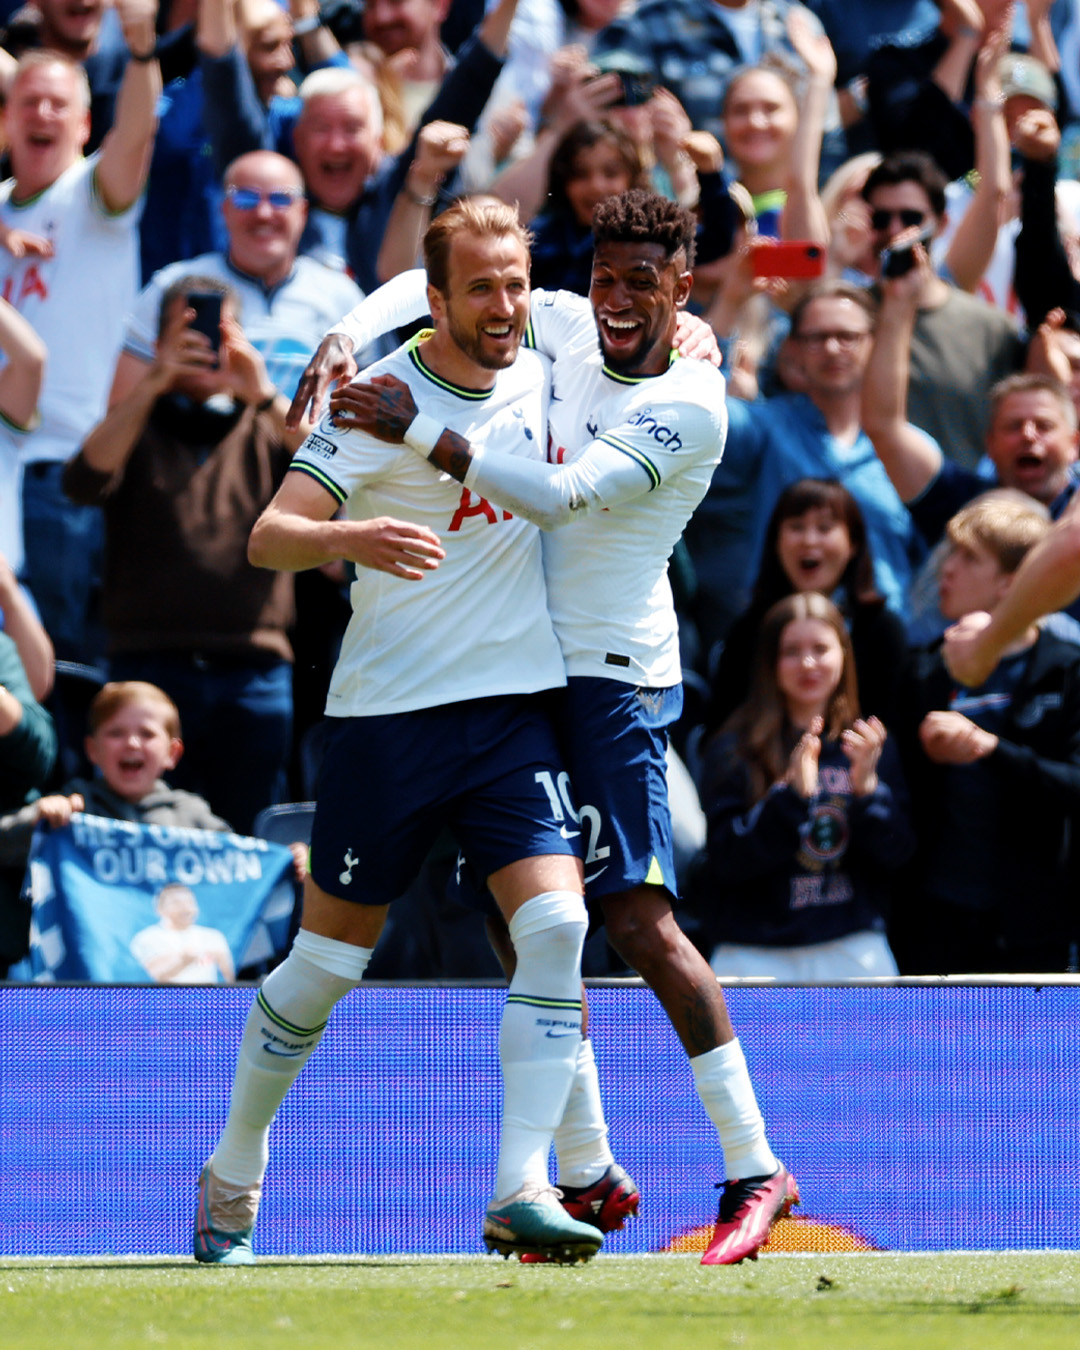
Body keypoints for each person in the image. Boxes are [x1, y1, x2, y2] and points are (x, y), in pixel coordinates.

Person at [313, 188, 797, 1267]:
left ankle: (755, 1167)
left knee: (634, 918)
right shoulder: (571, 320)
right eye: (607, 276)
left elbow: (566, 496)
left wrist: (421, 429)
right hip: (530, 667)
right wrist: (350, 332)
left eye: (646, 282)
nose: (619, 300)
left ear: (687, 287)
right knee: (527, 915)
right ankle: (583, 1163)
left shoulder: (692, 400)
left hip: (612, 680)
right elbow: (433, 290)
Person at [197, 197, 602, 1268]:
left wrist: (695, 337)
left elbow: (643, 322)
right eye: (481, 287)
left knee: (557, 927)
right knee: (326, 964)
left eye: (515, 282)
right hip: (386, 720)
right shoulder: (378, 401)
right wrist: (352, 533)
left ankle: (519, 1189)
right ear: (437, 300)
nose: (506, 304)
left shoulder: (549, 357)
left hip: (511, 711)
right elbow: (269, 538)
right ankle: (235, 1170)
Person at [62, 277, 303, 835]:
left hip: (252, 672)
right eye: (185, 329)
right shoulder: (135, 423)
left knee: (247, 838)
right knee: (140, 834)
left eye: (218, 330)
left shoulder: (262, 420)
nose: (202, 343)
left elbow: (335, 473)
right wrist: (152, 381)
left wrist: (261, 391)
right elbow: (80, 482)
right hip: (148, 668)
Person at [0, 23, 162, 663]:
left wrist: (143, 47)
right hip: (0, 464)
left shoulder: (94, 195)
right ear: (6, 120)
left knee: (60, 664)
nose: (42, 113)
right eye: (27, 102)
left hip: (58, 473)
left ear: (85, 125)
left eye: (58, 103)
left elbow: (138, 131)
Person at [686, 278, 920, 653]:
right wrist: (731, 299)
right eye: (816, 337)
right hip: (784, 652)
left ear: (875, 343)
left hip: (884, 653)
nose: (831, 348)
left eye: (847, 336)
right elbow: (696, 408)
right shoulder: (764, 428)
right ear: (792, 349)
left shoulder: (905, 452)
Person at [897, 493, 1080, 973]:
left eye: (968, 557)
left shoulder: (1067, 669)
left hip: (1034, 925)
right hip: (935, 919)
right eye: (949, 553)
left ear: (1011, 584)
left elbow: (1074, 785)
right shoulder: (922, 670)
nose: (947, 570)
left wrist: (989, 748)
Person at [693, 592, 914, 979]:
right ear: (770, 663)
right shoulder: (733, 747)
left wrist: (867, 791)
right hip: (752, 953)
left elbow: (898, 857)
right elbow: (726, 861)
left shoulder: (866, 745)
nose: (808, 663)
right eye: (792, 651)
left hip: (851, 945)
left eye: (821, 648)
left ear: (844, 656)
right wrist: (790, 798)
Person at [861, 236, 1080, 623]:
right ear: (989, 444)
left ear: (1074, 443)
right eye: (1014, 426)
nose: (1029, 435)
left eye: (1044, 426)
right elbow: (883, 426)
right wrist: (898, 303)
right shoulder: (963, 503)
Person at [113, 150, 372, 405]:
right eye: (246, 199)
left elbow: (372, 399)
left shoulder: (342, 296)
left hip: (313, 444)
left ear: (302, 212)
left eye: (280, 199)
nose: (263, 213)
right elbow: (120, 409)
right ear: (224, 210)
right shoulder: (174, 287)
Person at [859, 149, 1022, 472]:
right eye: (881, 218)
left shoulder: (991, 327)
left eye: (911, 218)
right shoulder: (842, 316)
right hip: (864, 509)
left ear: (943, 222)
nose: (895, 230)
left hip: (958, 502)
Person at [708, 478, 911, 732]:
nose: (809, 540)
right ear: (776, 542)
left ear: (853, 544)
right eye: (796, 527)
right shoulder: (749, 631)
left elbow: (898, 733)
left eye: (825, 528)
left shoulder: (883, 631)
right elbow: (720, 733)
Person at [131, 883, 236, 983]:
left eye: (190, 902)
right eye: (177, 903)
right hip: (166, 999)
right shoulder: (146, 938)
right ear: (159, 909)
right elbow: (156, 976)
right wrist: (184, 960)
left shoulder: (213, 936)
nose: (186, 908)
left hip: (205, 999)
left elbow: (230, 979)